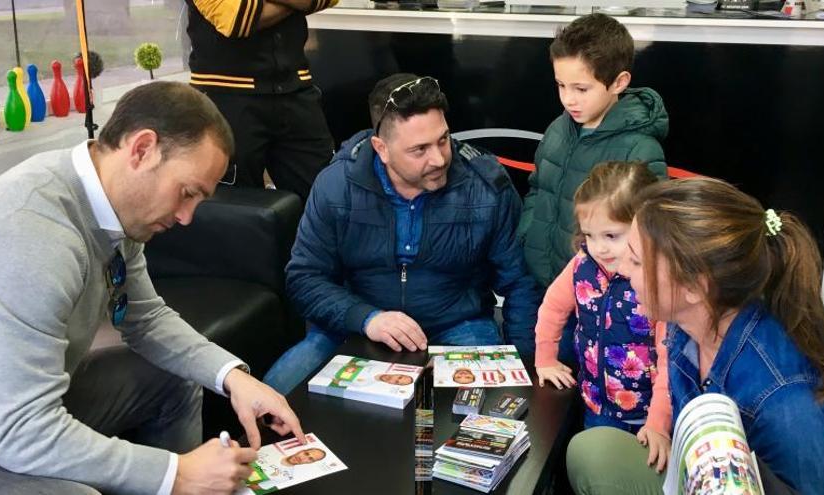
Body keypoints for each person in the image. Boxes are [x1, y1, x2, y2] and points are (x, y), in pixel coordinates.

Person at [0, 81, 305, 495]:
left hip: (30, 402)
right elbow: (22, 433)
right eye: (186, 193)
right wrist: (177, 473)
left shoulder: (110, 205)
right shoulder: (32, 235)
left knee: (173, 378)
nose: (186, 217)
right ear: (142, 149)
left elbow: (146, 318)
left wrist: (236, 379)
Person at [263, 73, 541, 394]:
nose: (438, 159)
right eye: (419, 149)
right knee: (274, 395)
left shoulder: (486, 185)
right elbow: (304, 278)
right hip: (356, 325)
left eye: (443, 140)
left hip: (458, 326)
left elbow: (520, 281)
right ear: (381, 148)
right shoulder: (336, 185)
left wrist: (524, 365)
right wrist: (367, 319)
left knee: (492, 414)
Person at [582, 177, 824, 494]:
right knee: (592, 451)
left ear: (694, 288)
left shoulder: (786, 402)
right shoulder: (686, 321)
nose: (623, 270)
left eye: (638, 261)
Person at [534, 162, 671, 487]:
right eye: (590, 235)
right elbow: (552, 307)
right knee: (595, 473)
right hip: (597, 405)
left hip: (649, 415)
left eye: (612, 235)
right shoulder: (582, 265)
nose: (599, 247)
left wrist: (659, 423)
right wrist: (545, 358)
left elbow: (670, 361)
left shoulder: (656, 281)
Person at [517, 13, 669, 291]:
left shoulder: (640, 149)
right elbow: (538, 189)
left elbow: (651, 233)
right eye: (561, 85)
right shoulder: (557, 129)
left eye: (581, 88)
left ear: (619, 83)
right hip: (542, 283)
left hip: (602, 295)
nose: (568, 99)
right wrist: (528, 235)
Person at [185, 0, 336, 200]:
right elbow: (236, 18)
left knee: (325, 196)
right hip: (227, 96)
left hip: (295, 89)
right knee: (236, 206)